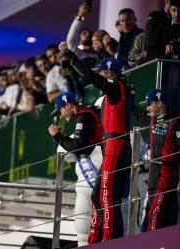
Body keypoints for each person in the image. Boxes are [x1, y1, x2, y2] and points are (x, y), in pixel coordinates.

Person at [60, 42, 134, 243]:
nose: (98, 76)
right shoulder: (119, 89)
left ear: (110, 74)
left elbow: (90, 77)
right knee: (97, 196)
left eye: (101, 72)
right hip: (112, 145)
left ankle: (111, 240)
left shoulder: (117, 87)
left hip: (116, 143)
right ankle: (100, 238)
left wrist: (70, 55)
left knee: (108, 196)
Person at [48, 92, 103, 246]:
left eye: (60, 110)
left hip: (100, 165)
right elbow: (82, 145)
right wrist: (65, 138)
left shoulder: (84, 115)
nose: (59, 116)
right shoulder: (88, 111)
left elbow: (78, 148)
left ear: (68, 105)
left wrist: (58, 137)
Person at [133, 89, 180, 231]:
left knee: (155, 214)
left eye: (149, 104)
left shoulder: (176, 124)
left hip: (167, 174)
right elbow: (136, 113)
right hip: (153, 173)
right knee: (149, 213)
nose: (147, 108)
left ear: (159, 103)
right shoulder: (152, 119)